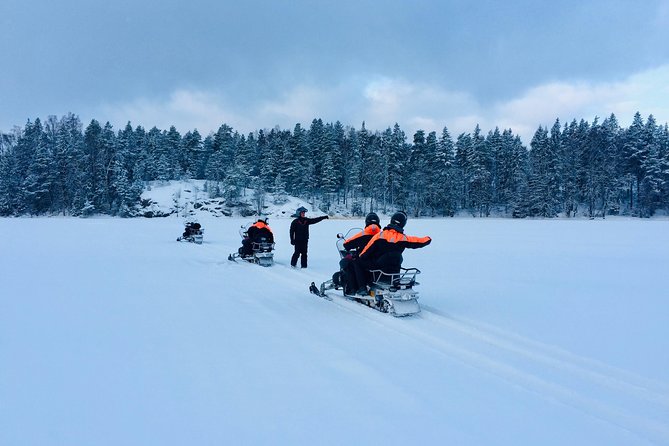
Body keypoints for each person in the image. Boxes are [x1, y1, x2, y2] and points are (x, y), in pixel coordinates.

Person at [351, 211, 431, 295]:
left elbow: (366, 252)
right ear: (403, 224)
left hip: (379, 265)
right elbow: (419, 241)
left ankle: (362, 288)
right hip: (394, 266)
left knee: (357, 262)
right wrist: (428, 238)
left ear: (391, 220)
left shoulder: (380, 235)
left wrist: (361, 256)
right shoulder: (403, 238)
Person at [339, 212, 381, 293]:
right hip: (377, 262)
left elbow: (347, 244)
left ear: (367, 222)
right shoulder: (382, 234)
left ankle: (353, 289)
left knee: (349, 265)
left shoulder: (363, 234)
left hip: (363, 260)